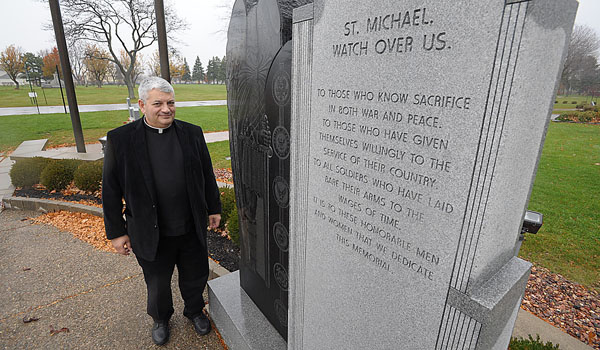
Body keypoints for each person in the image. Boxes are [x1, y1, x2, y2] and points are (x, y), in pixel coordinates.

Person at [102, 76, 222, 345]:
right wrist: (116, 233)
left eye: (170, 102)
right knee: (157, 283)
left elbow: (206, 173)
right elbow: (110, 190)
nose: (166, 109)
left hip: (190, 225)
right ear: (142, 105)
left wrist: (213, 207)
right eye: (158, 103)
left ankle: (194, 310)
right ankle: (160, 317)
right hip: (149, 229)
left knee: (195, 274)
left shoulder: (192, 133)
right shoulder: (121, 140)